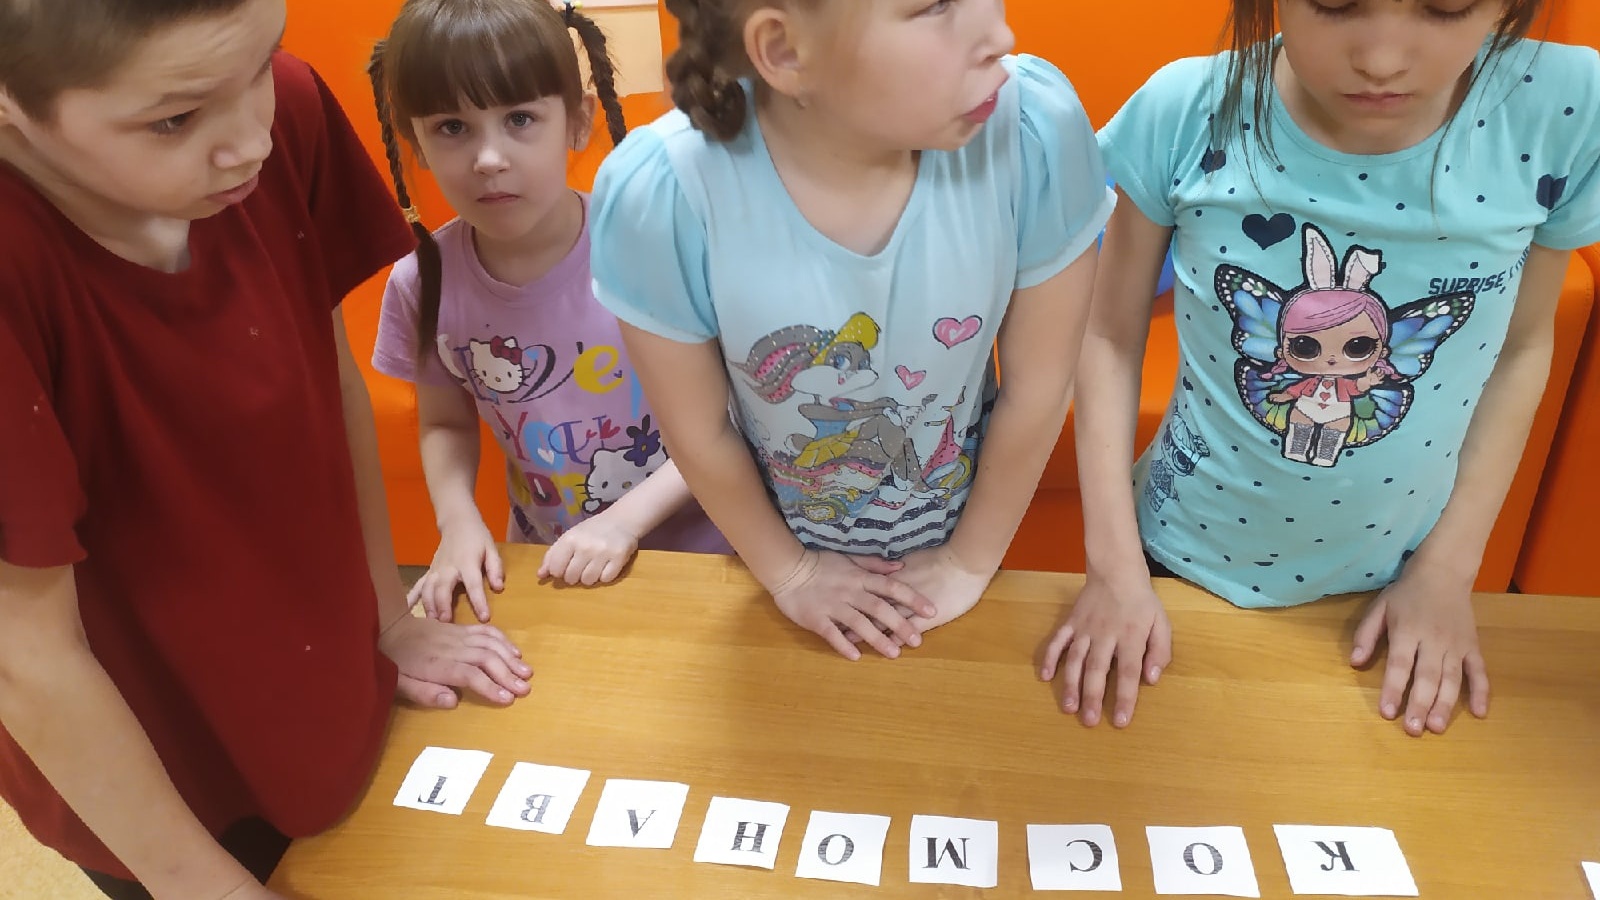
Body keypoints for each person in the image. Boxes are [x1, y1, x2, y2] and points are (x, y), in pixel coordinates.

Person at [0, 1, 532, 897]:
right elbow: (27, 653)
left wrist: (387, 618)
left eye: (261, 64)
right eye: (174, 120)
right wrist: (202, 885)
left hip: (316, 677)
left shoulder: (283, 109)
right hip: (142, 763)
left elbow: (326, 366)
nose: (250, 142)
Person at [1044, 0, 1600, 736]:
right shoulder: (1184, 111)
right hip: (1177, 551)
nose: (1381, 60)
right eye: (1336, 3)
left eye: (1445, 7)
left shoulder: (1563, 109)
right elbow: (1108, 337)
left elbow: (1521, 349)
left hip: (1405, 574)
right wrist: (1113, 568)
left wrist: (1447, 573)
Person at [590, 0, 1114, 660]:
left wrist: (968, 562)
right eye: (934, 6)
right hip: (770, 576)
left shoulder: (1033, 131)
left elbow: (1040, 387)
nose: (1000, 35)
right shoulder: (664, 196)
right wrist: (791, 574)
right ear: (784, 50)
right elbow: (697, 432)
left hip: (963, 559)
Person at [369, 0, 728, 624]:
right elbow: (445, 424)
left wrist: (622, 522)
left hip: (709, 558)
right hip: (552, 570)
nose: (488, 158)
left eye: (519, 119)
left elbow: (731, 414)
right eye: (452, 127)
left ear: (577, 122)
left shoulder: (654, 244)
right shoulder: (421, 285)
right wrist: (458, 524)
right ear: (416, 143)